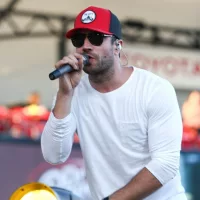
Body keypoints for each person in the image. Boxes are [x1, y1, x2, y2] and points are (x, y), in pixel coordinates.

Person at [41, 6, 187, 200]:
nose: (85, 45)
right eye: (79, 39)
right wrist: (65, 94)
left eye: (96, 37)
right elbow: (53, 156)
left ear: (117, 45)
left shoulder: (154, 89)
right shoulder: (72, 92)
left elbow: (166, 163)